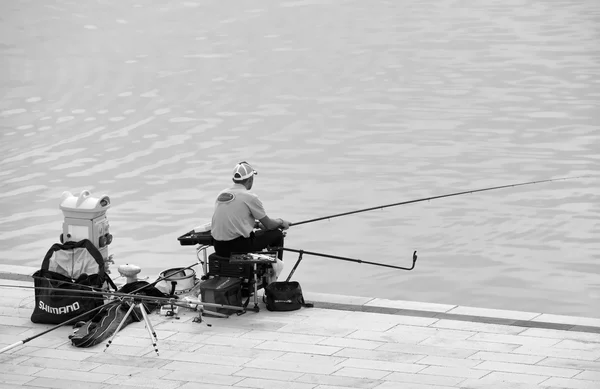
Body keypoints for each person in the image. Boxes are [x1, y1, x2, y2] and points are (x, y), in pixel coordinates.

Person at [211, 161, 291, 259]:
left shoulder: (221, 194)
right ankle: (275, 271)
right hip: (237, 248)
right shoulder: (250, 197)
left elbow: (233, 220)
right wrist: (281, 222)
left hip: (219, 247)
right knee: (277, 234)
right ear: (250, 179)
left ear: (233, 179)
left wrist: (257, 224)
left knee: (257, 234)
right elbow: (269, 225)